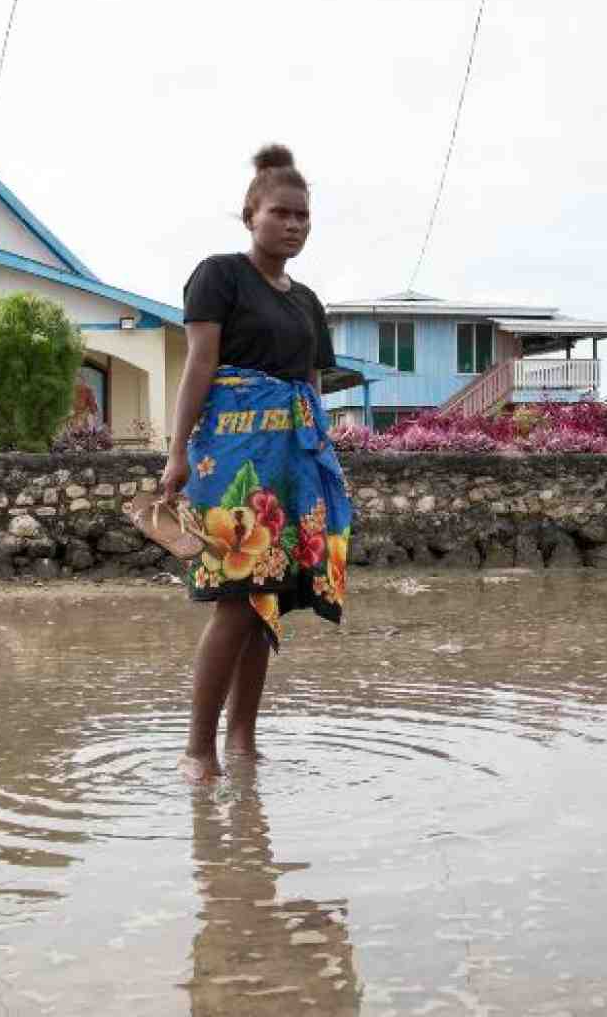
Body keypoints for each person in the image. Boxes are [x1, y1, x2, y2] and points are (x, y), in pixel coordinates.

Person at [159, 144, 352, 784]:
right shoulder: (220, 276)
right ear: (251, 216)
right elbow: (199, 366)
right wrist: (177, 453)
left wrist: (321, 464)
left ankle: (242, 740)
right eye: (281, 213)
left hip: (292, 461)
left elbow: (311, 389)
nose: (293, 225)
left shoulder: (308, 303)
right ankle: (197, 750)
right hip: (231, 458)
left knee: (267, 600)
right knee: (237, 596)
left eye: (303, 215)